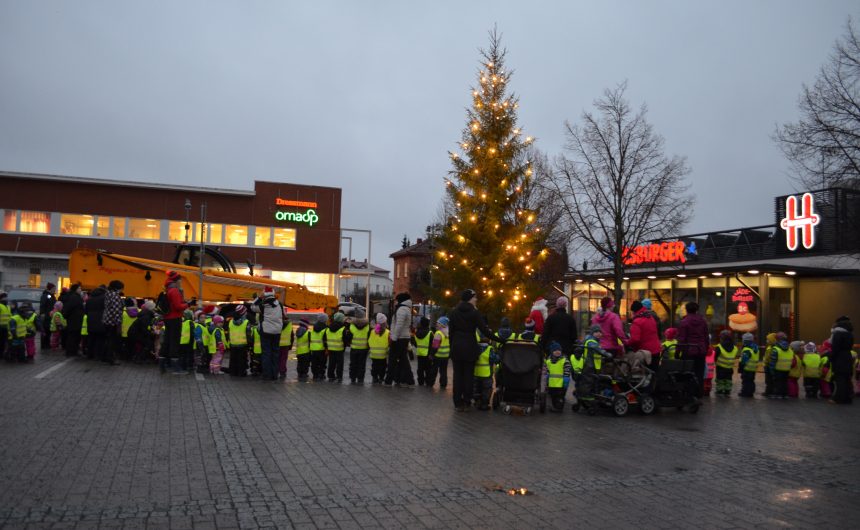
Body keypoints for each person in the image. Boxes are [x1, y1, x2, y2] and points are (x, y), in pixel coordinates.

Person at [448, 289, 499, 411]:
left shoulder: (454, 312)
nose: (476, 299)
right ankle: (467, 401)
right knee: (468, 376)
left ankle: (457, 402)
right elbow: (485, 330)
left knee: (458, 376)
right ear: (470, 299)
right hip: (470, 346)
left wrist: (452, 346)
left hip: (457, 346)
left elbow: (451, 332)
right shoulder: (475, 313)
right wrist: (499, 339)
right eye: (475, 297)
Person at [249, 286, 284, 381]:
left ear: (264, 294)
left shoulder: (263, 305)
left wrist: (258, 298)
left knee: (266, 353)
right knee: (275, 353)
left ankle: (267, 375)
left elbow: (252, 307)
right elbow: (283, 316)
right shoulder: (279, 304)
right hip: (277, 332)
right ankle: (274, 375)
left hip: (266, 331)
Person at [677, 302, 709, 397]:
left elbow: (682, 338)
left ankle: (688, 393)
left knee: (687, 373)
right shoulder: (703, 321)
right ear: (696, 310)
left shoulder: (684, 322)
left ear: (686, 310)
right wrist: (705, 348)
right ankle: (699, 393)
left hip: (688, 351)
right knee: (699, 373)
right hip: (700, 350)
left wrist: (678, 351)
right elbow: (706, 337)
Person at [161, 271, 190, 373]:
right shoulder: (174, 291)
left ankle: (163, 365)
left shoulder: (167, 288)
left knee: (167, 341)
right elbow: (178, 307)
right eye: (180, 280)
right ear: (177, 280)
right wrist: (187, 305)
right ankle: (175, 368)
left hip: (167, 318)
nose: (181, 282)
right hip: (175, 318)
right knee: (174, 342)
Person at [386, 292, 415, 386]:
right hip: (403, 337)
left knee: (392, 359)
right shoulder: (406, 308)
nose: (395, 302)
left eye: (397, 300)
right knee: (403, 360)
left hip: (399, 338)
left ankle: (388, 381)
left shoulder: (402, 309)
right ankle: (410, 381)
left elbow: (399, 325)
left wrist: (393, 338)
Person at [627, 300, 662, 370]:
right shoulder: (650, 318)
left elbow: (635, 339)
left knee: (644, 374)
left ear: (634, 311)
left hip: (645, 353)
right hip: (656, 350)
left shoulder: (637, 322)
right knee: (653, 373)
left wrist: (627, 343)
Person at [829, 316, 854, 404]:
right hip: (848, 357)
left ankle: (839, 398)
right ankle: (848, 397)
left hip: (839, 358)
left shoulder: (838, 333)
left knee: (840, 379)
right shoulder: (849, 333)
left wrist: (831, 356)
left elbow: (835, 347)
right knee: (847, 378)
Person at [101, 280, 124, 365]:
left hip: (106, 319)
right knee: (112, 340)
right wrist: (118, 323)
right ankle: (111, 358)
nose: (122, 290)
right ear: (117, 288)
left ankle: (104, 356)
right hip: (113, 321)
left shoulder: (108, 294)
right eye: (121, 288)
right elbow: (116, 310)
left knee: (107, 339)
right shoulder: (115, 296)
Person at [544, 341, 571, 412]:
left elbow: (567, 370)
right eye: (555, 350)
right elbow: (547, 371)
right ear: (552, 351)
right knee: (553, 396)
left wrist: (566, 379)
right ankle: (555, 406)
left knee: (560, 397)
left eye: (559, 350)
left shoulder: (564, 360)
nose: (557, 352)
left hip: (561, 384)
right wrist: (547, 378)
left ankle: (559, 408)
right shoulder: (548, 361)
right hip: (552, 384)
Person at [472, 331, 497, 410]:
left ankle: (477, 401)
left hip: (476, 373)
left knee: (476, 387)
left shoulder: (475, 347)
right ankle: (484, 404)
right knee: (486, 389)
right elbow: (494, 359)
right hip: (486, 374)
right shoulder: (490, 349)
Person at [227, 305, 251, 376]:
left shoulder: (231, 322)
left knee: (233, 359)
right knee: (242, 359)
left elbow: (229, 333)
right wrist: (249, 343)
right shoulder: (246, 322)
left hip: (233, 343)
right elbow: (248, 334)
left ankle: (233, 372)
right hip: (243, 344)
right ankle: (241, 372)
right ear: (243, 313)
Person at [61, 284, 85, 358]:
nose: (80, 290)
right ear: (75, 289)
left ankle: (72, 351)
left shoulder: (74, 296)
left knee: (74, 336)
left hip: (75, 319)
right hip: (74, 319)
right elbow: (69, 308)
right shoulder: (74, 297)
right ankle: (71, 351)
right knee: (73, 336)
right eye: (79, 288)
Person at [326, 312, 350, 382]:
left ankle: (330, 376)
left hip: (331, 348)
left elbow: (325, 338)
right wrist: (345, 345)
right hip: (339, 349)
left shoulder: (328, 328)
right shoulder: (342, 329)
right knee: (339, 364)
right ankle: (339, 376)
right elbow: (345, 340)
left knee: (331, 363)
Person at [714, 330, 738, 396]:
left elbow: (715, 356)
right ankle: (727, 390)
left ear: (722, 338)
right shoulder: (735, 348)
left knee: (720, 379)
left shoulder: (719, 347)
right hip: (730, 367)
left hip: (720, 367)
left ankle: (719, 390)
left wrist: (715, 362)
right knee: (728, 379)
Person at [347, 316, 371, 384]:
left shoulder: (352, 326)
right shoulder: (367, 326)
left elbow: (348, 337)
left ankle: (353, 378)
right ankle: (360, 378)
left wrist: (349, 343)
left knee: (353, 363)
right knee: (362, 364)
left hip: (354, 348)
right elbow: (369, 337)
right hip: (364, 349)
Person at [428, 316, 450, 388]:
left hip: (438, 356)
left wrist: (431, 354)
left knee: (434, 370)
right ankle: (443, 384)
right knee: (443, 371)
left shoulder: (439, 333)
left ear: (442, 324)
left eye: (439, 323)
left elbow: (435, 346)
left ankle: (430, 383)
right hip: (445, 356)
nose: (437, 324)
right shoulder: (448, 332)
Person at [368, 313, 390, 384]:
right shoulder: (387, 332)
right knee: (382, 367)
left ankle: (375, 377)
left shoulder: (372, 331)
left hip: (374, 354)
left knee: (374, 366)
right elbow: (389, 343)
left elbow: (369, 341)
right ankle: (381, 378)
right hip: (383, 354)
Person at [412, 317, 434, 386]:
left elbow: (415, 343)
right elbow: (433, 344)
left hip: (419, 353)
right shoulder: (430, 333)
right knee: (428, 369)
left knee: (420, 369)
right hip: (428, 354)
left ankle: (420, 381)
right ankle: (428, 382)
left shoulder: (416, 333)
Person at [771, 332, 792, 399]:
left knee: (778, 382)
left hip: (778, 369)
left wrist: (771, 369)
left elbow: (773, 360)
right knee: (785, 382)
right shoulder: (789, 349)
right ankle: (785, 394)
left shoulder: (776, 349)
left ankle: (778, 394)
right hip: (787, 368)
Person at [738, 333, 760, 398]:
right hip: (753, 368)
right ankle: (750, 392)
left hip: (747, 368)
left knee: (746, 381)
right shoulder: (755, 348)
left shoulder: (747, 349)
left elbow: (744, 360)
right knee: (751, 381)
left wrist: (741, 367)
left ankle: (745, 393)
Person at [309, 314, 328, 381]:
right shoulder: (325, 329)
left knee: (314, 363)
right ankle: (321, 374)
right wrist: (326, 348)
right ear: (325, 320)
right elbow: (325, 340)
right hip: (322, 349)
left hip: (313, 348)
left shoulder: (314, 327)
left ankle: (315, 375)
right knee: (322, 363)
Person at [278, 308, 294, 380]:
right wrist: (291, 345)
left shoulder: (276, 323)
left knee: (276, 358)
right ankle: (282, 372)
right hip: (286, 344)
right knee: (283, 359)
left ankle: (276, 370)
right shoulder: (289, 324)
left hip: (277, 344)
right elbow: (292, 335)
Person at [38, 283, 56, 349]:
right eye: (54, 289)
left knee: (48, 330)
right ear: (50, 289)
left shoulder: (51, 295)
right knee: (45, 330)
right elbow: (42, 305)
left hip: (50, 315)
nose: (55, 290)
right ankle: (44, 345)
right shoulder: (46, 295)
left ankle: (47, 344)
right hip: (46, 316)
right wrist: (42, 313)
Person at [762, 333, 778, 397]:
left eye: (768, 339)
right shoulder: (769, 347)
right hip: (767, 365)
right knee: (768, 380)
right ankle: (769, 391)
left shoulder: (773, 348)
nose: (767, 341)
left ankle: (769, 392)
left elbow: (769, 357)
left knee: (769, 380)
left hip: (770, 366)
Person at [0, 291, 10, 358]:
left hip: (6, 327)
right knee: (1, 342)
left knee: (5, 342)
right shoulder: (0, 306)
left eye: (6, 298)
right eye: (4, 298)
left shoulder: (8, 307)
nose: (6, 299)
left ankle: (3, 353)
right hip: (0, 327)